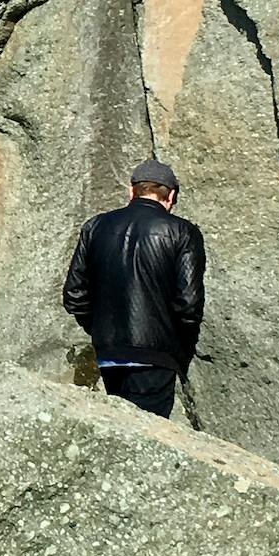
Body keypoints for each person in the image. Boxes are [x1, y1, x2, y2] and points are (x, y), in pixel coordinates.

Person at [63, 159, 205, 417]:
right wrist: (176, 344)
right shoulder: (183, 232)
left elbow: (74, 295)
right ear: (171, 196)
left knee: (122, 427)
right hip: (155, 356)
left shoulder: (95, 226)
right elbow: (189, 304)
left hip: (108, 352)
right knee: (150, 436)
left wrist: (98, 327)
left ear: (132, 191)